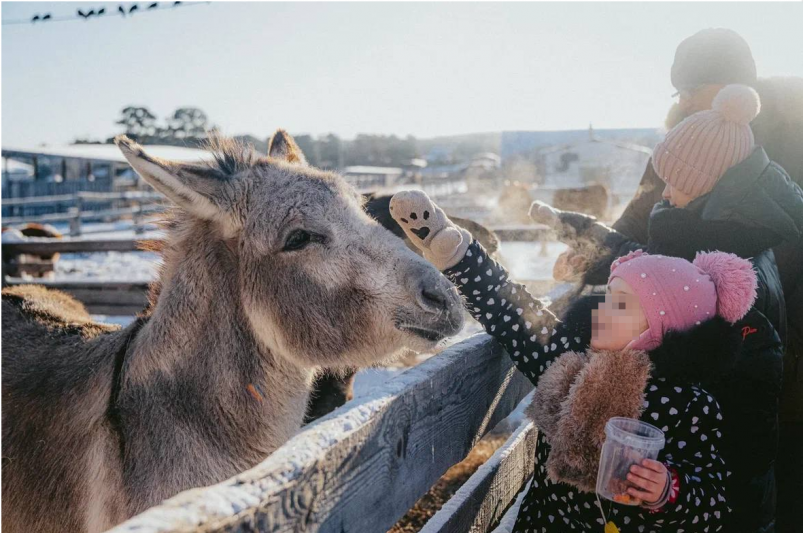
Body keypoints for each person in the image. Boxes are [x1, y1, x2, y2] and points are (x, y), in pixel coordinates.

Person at [387, 190, 774, 532]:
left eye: (620, 305)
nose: (602, 311)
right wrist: (455, 250)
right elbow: (514, 313)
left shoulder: (691, 406)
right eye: (607, 298)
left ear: (660, 328)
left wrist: (668, 490)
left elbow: (713, 504)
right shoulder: (573, 363)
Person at [553, 30, 803, 531]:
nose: (684, 100)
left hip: (773, 357)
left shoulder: (779, 142)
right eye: (678, 91)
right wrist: (594, 255)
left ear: (737, 86)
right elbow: (640, 227)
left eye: (695, 87)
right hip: (714, 371)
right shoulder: (682, 146)